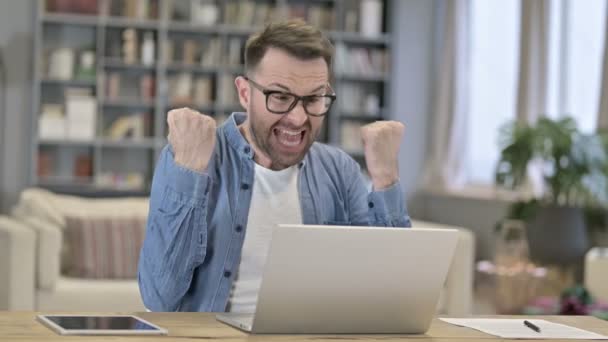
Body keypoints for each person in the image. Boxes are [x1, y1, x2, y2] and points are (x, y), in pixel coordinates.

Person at [138, 19, 411, 312]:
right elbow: (159, 298)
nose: (298, 118)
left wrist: (385, 177)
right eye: (280, 97)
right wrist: (189, 173)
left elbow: (390, 300)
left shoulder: (339, 170)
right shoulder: (191, 156)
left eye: (314, 99)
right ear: (245, 93)